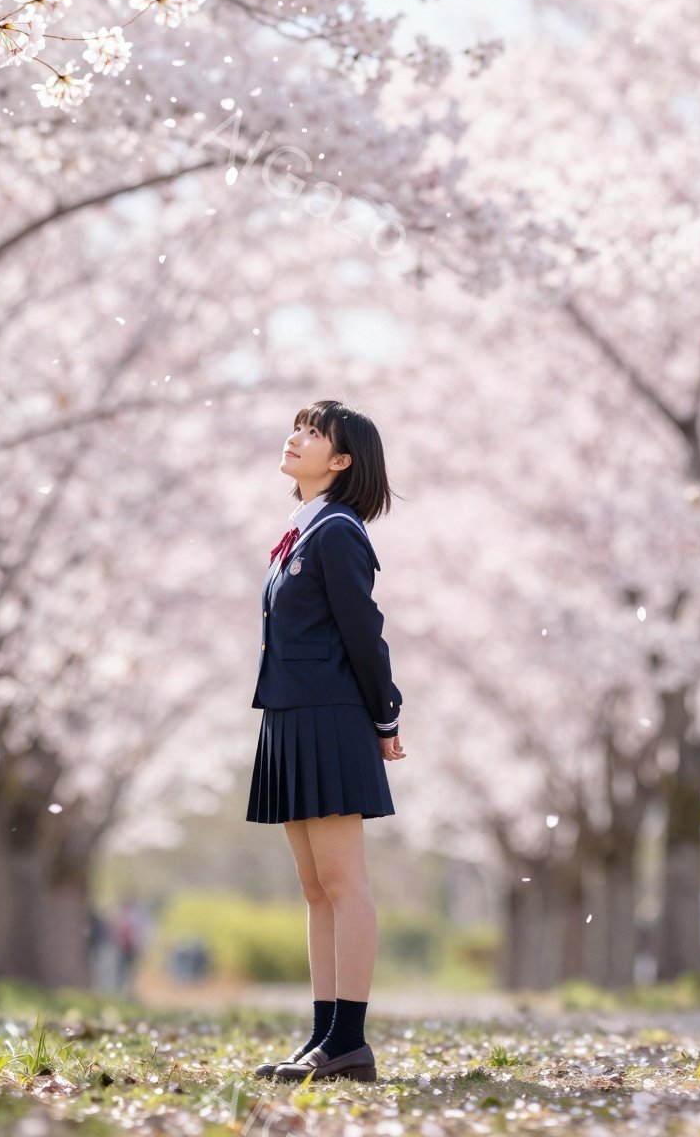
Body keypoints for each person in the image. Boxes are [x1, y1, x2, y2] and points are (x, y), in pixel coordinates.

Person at [245, 399, 406, 1086]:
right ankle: (322, 1038)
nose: (296, 437)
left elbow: (363, 634)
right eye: (299, 426)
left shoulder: (337, 532)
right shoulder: (301, 529)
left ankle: (350, 1040)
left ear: (341, 462)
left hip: (330, 717)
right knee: (315, 887)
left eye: (313, 433)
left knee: (343, 882)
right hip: (290, 714)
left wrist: (385, 716)